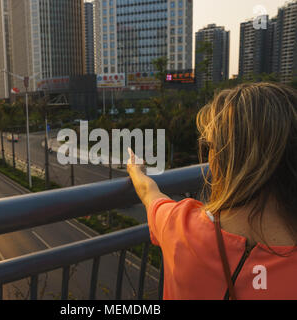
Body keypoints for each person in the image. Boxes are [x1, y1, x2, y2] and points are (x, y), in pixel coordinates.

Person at [127, 83, 297, 300]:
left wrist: (135, 169)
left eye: (211, 147)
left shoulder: (180, 227)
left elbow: (148, 192)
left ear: (224, 159)